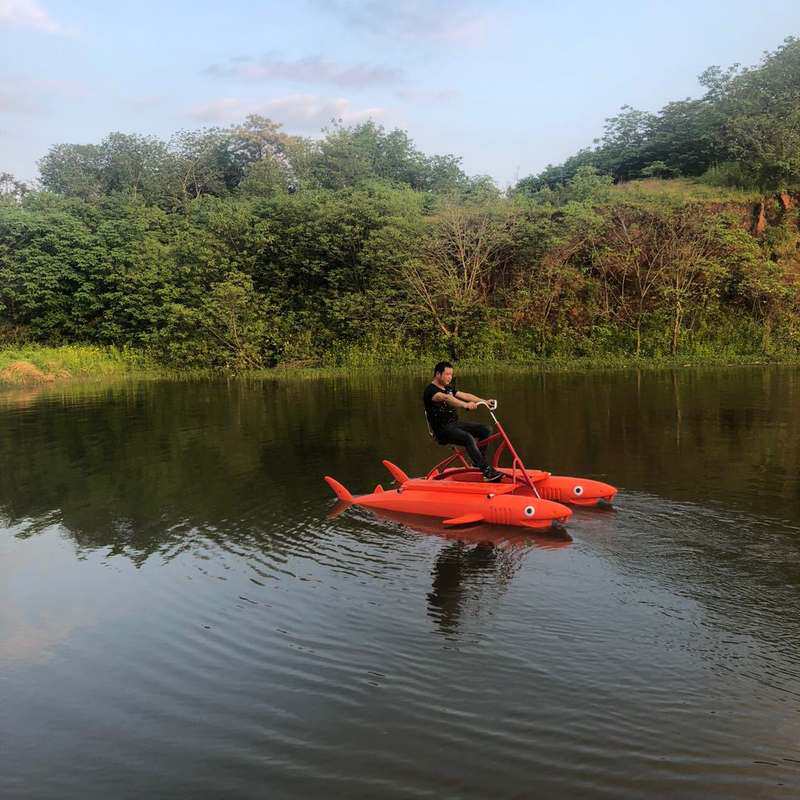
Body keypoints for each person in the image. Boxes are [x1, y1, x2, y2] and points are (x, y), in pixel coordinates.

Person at [422, 361, 503, 482]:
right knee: (468, 438)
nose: (450, 377)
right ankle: (487, 472)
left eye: (451, 374)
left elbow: (464, 395)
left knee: (485, 430)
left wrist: (484, 401)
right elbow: (446, 398)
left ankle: (478, 463)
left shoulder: (448, 388)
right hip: (442, 430)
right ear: (438, 374)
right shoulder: (431, 390)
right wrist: (465, 405)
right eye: (447, 374)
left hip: (454, 425)